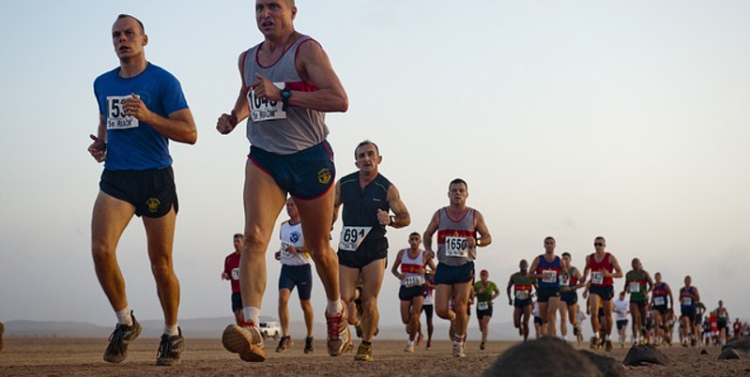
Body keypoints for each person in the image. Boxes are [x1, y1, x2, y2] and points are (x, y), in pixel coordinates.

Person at [216, 0, 350, 363]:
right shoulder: (246, 58)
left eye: (274, 6)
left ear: (293, 11)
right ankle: (252, 328)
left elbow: (339, 100)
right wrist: (234, 117)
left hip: (309, 157)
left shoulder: (306, 50)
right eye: (259, 7)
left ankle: (336, 312)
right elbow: (249, 95)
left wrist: (285, 94)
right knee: (255, 237)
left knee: (320, 248)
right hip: (265, 158)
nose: (265, 14)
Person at [89, 14, 197, 366]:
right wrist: (102, 143)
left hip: (155, 177)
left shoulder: (164, 81)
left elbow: (190, 133)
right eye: (117, 35)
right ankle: (125, 323)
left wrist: (150, 116)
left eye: (129, 33)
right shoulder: (102, 82)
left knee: (161, 264)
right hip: (117, 177)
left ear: (144, 39)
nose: (123, 39)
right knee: (101, 250)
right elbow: (107, 116)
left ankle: (171, 332)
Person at [333, 140, 411, 361]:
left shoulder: (387, 188)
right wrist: (329, 223)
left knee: (370, 301)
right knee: (345, 297)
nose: (366, 159)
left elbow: (406, 217)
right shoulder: (344, 183)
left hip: (374, 248)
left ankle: (366, 344)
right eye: (361, 156)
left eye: (370, 155)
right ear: (356, 162)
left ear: (379, 159)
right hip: (349, 247)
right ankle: (355, 296)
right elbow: (333, 206)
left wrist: (391, 219)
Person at [423, 178, 492, 357]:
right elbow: (427, 233)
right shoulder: (440, 214)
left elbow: (487, 237)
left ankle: (458, 342)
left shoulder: (475, 215)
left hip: (464, 267)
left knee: (461, 305)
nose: (458, 193)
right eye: (454, 190)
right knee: (440, 310)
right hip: (445, 266)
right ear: (448, 194)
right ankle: (454, 319)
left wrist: (476, 241)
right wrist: (429, 249)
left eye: (461, 190)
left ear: (467, 194)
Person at [273, 198, 315, 354]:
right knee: (282, 299)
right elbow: (285, 245)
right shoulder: (283, 226)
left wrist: (296, 250)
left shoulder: (306, 224)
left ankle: (309, 337)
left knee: (305, 304)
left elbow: (312, 246)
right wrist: (281, 253)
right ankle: (286, 336)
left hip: (303, 268)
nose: (289, 208)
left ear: (299, 207)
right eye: (287, 205)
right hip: (287, 269)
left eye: (292, 205)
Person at [390, 232, 435, 353]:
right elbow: (393, 269)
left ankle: (410, 343)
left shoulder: (424, 255)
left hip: (418, 288)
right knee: (406, 319)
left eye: (416, 239)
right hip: (405, 287)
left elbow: (435, 271)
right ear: (409, 241)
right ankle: (413, 327)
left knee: (415, 316)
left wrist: (425, 271)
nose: (414, 241)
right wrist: (399, 275)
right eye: (412, 239)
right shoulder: (402, 253)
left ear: (420, 242)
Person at [582, 236, 623, 352]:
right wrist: (584, 277)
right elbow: (586, 269)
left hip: (607, 287)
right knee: (594, 313)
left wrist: (609, 274)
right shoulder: (589, 258)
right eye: (596, 244)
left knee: (608, 315)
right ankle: (596, 336)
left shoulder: (610, 258)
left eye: (600, 244)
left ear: (604, 246)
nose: (598, 247)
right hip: (595, 287)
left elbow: (620, 274)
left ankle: (609, 338)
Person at [528, 237, 564, 337]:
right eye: (547, 243)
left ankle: (551, 338)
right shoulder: (538, 260)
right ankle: (552, 332)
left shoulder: (559, 261)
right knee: (544, 318)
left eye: (551, 243)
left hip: (554, 289)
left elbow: (565, 273)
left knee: (551, 313)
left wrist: (564, 276)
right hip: (542, 289)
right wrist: (541, 276)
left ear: (555, 245)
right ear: (544, 245)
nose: (549, 245)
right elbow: (530, 274)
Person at [623, 258, 654, 345]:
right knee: (635, 318)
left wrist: (646, 292)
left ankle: (643, 335)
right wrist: (626, 290)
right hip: (633, 299)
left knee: (643, 320)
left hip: (643, 299)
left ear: (640, 264)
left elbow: (652, 285)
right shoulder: (629, 274)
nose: (635, 264)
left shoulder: (644, 274)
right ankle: (635, 339)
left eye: (636, 263)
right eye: (633, 263)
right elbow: (626, 286)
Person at [558, 252, 584, 342]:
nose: (565, 260)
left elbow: (582, 283)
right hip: (561, 295)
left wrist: (572, 287)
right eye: (563, 258)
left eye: (566, 258)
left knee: (572, 320)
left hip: (571, 294)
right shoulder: (558, 270)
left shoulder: (574, 270)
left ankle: (577, 324)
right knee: (563, 317)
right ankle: (564, 339)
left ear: (570, 259)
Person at [506, 259, 533, 341]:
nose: (523, 269)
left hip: (527, 302)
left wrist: (533, 295)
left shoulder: (531, 277)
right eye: (522, 267)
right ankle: (520, 326)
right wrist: (510, 298)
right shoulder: (514, 276)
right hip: (518, 301)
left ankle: (525, 341)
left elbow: (538, 289)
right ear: (519, 267)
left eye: (525, 267)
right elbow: (508, 287)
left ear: (527, 267)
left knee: (526, 322)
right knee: (516, 323)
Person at [473, 269, 500, 350]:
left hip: (488, 305)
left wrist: (493, 297)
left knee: (485, 323)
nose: (483, 277)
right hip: (479, 306)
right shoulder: (477, 285)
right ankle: (484, 335)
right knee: (481, 327)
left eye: (485, 276)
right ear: (480, 276)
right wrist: (478, 293)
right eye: (482, 275)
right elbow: (471, 295)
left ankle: (483, 341)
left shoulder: (492, 284)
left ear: (487, 276)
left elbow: (498, 292)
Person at [222, 234, 245, 325]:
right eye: (234, 242)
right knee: (237, 316)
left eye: (238, 241)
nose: (236, 244)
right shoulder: (229, 259)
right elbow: (228, 274)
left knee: (243, 315)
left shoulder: (247, 257)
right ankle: (241, 335)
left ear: (243, 242)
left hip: (246, 291)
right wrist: (225, 275)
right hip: (235, 291)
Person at [649, 272, 674, 346]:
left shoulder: (665, 286)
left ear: (660, 278)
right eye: (656, 277)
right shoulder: (653, 286)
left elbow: (670, 296)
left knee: (664, 323)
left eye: (658, 277)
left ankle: (667, 334)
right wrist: (650, 304)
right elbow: (653, 295)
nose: (657, 279)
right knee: (656, 321)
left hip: (664, 306)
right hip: (656, 306)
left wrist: (672, 306)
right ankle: (656, 339)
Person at [678, 275, 701, 347]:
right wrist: (681, 300)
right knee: (685, 322)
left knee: (692, 325)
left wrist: (691, 296)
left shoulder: (693, 289)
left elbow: (698, 299)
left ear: (690, 281)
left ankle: (694, 337)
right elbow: (680, 298)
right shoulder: (682, 290)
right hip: (684, 309)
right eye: (686, 280)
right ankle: (685, 339)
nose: (687, 282)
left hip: (692, 309)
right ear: (684, 281)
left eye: (688, 281)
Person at [421, 272, 436, 350]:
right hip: (418, 300)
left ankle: (429, 340)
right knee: (414, 319)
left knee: (429, 322)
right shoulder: (418, 273)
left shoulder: (430, 274)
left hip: (428, 302)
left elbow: (437, 286)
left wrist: (429, 285)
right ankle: (420, 334)